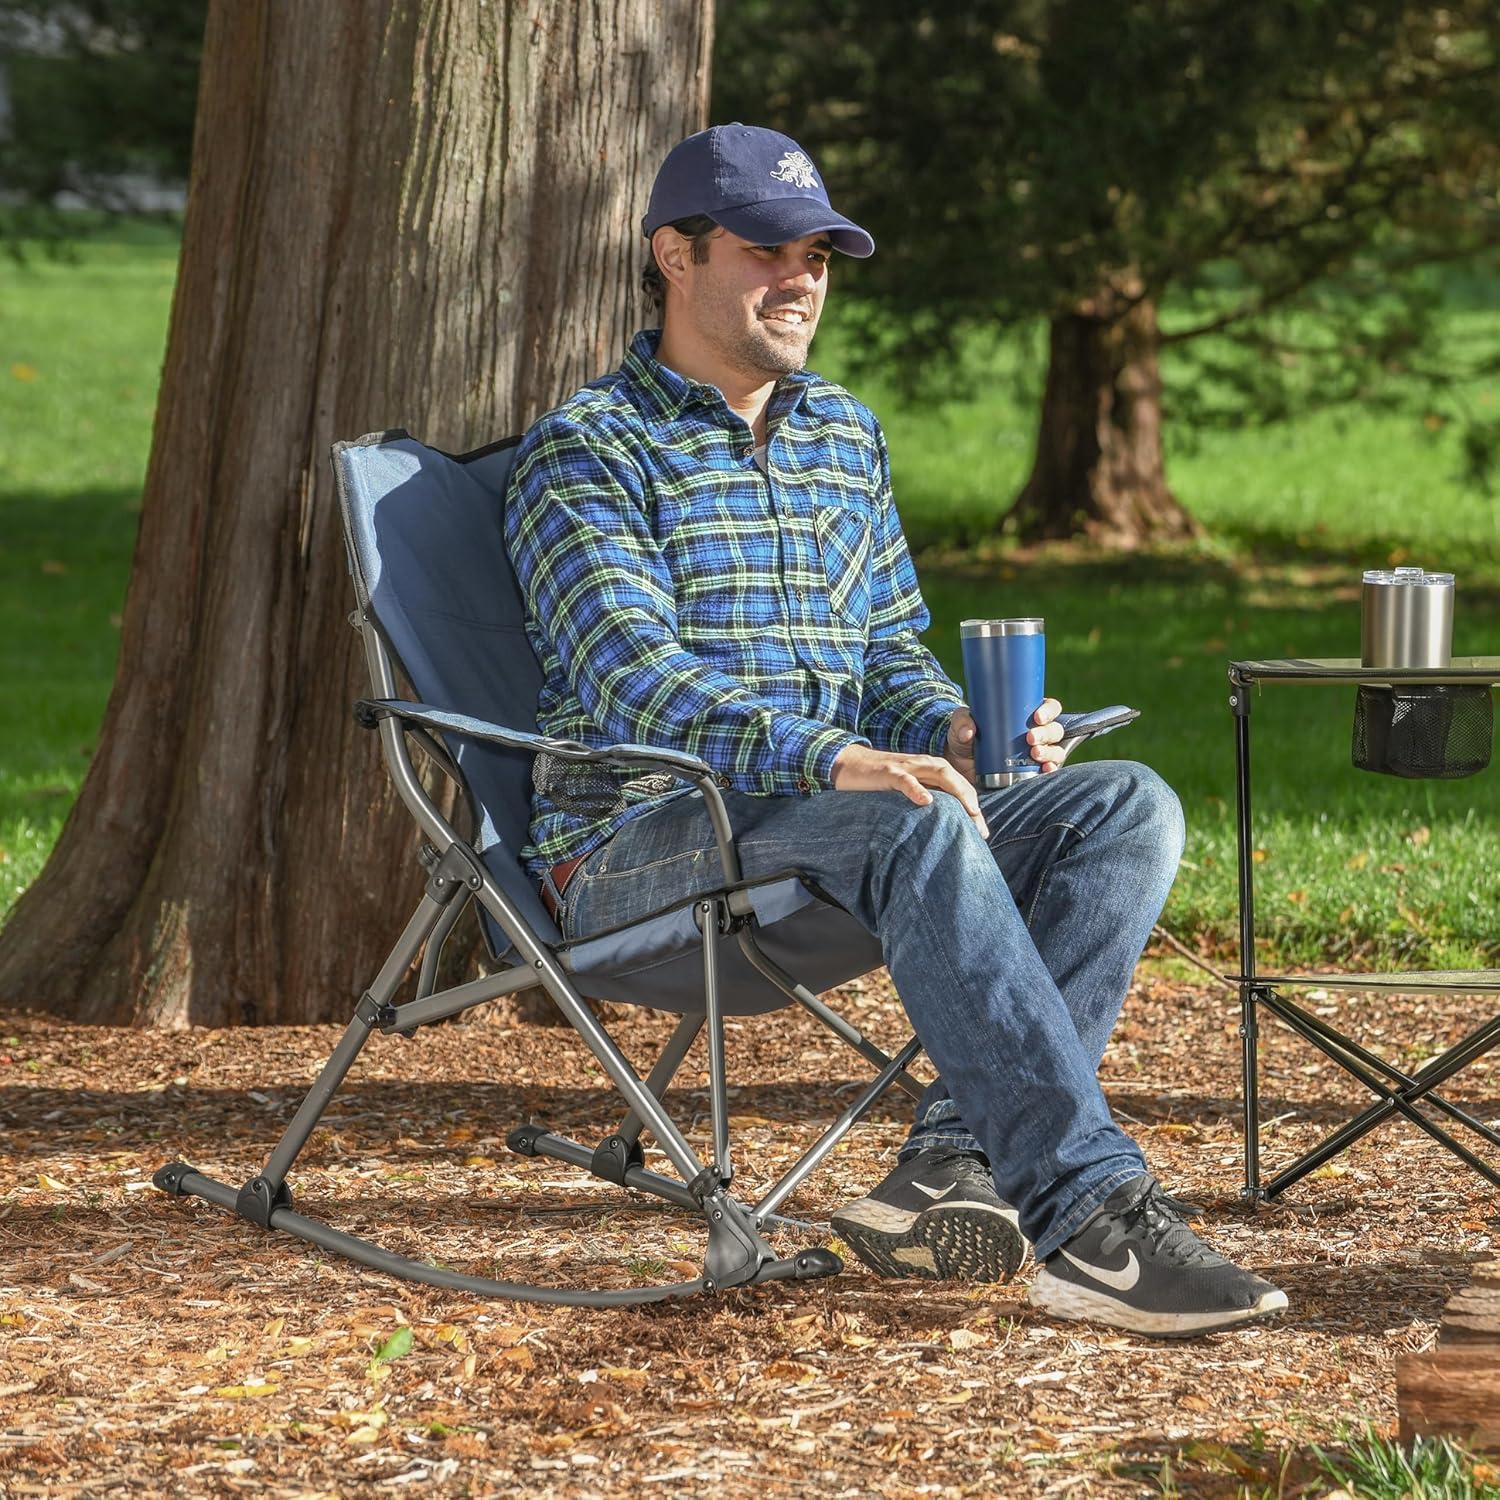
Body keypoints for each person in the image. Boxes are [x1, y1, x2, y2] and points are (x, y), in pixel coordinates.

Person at [504, 123, 1287, 1337]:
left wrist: (955, 731)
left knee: (1124, 808)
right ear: (674, 255)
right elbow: (632, 684)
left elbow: (882, 654)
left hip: (827, 825)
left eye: (819, 253)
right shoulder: (587, 453)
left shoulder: (842, 436)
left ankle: (950, 1166)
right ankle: (1091, 1222)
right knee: (902, 820)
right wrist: (842, 760)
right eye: (768, 250)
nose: (802, 278)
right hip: (637, 847)